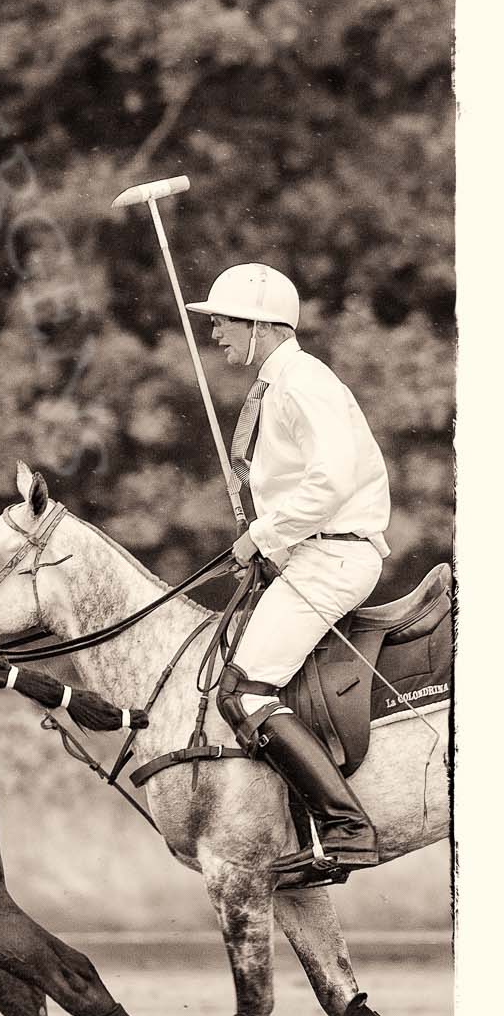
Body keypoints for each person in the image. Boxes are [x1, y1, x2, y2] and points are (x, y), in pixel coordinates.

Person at [188, 263, 392, 873]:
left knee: (243, 692)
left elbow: (329, 483)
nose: (216, 332)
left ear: (264, 326)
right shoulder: (281, 385)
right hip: (313, 552)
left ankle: (347, 827)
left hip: (333, 554)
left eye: (225, 321)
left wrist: (262, 535)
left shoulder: (304, 383)